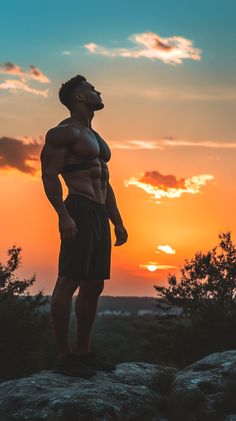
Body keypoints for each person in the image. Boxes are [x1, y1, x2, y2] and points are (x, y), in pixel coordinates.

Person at [40, 75, 128, 377]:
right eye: (91, 89)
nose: (97, 92)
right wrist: (63, 215)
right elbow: (49, 175)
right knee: (69, 280)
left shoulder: (96, 138)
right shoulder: (62, 133)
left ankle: (84, 352)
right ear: (78, 97)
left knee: (94, 284)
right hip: (77, 207)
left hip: (99, 212)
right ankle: (64, 358)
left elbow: (106, 181)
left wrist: (117, 221)